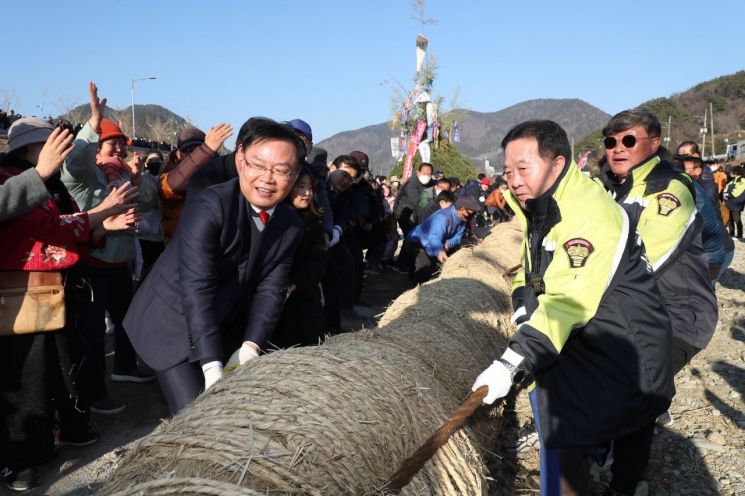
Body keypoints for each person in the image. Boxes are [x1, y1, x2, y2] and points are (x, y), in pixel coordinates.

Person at [472, 120, 674, 496]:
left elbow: (567, 301)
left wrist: (509, 363)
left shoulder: (586, 215)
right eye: (507, 171)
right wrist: (521, 305)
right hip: (587, 339)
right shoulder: (541, 207)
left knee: (611, 431)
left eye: (523, 168)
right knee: (571, 434)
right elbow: (530, 268)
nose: (513, 180)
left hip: (625, 344)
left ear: (558, 163)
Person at [123, 117, 305, 415]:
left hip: (225, 316)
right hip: (173, 319)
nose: (267, 178)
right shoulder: (210, 206)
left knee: (238, 410)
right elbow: (196, 286)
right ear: (240, 160)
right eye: (258, 165)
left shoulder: (290, 225)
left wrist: (250, 348)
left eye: (281, 170)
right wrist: (211, 366)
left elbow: (272, 288)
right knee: (196, 414)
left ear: (295, 174)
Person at [0, 118, 138, 492]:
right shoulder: (11, 178)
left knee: (63, 365)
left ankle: (65, 433)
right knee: (26, 376)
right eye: (48, 144)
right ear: (29, 149)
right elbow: (50, 230)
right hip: (21, 295)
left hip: (60, 289)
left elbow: (66, 229)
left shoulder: (53, 183)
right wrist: (101, 214)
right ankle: (19, 458)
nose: (57, 151)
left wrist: (102, 227)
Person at [61, 83, 159, 414]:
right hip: (91, 267)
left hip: (120, 266)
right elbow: (74, 162)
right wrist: (93, 122)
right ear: (97, 148)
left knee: (127, 321)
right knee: (91, 335)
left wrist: (136, 177)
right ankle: (94, 394)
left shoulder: (119, 177)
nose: (118, 148)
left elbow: (147, 201)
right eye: (111, 142)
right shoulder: (85, 175)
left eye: (122, 143)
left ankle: (125, 368)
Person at [598, 110, 717, 380]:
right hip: (627, 309)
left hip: (677, 314)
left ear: (654, 144)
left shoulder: (669, 191)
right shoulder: (606, 189)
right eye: (610, 142)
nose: (618, 149)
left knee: (621, 391)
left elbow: (641, 259)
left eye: (628, 141)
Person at [271, 167, 328, 348]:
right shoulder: (273, 217)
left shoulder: (314, 221)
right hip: (272, 295)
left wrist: (296, 283)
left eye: (310, 188)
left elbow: (317, 262)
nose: (307, 193)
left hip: (303, 296)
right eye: (300, 186)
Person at [159, 125, 233, 244]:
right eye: (188, 151)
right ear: (178, 154)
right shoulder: (168, 175)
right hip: (178, 249)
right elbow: (172, 187)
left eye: (197, 149)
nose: (193, 155)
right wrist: (205, 150)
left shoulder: (218, 172)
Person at [675, 155, 734, 283]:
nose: (680, 171)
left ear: (698, 170)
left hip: (716, 249)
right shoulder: (695, 185)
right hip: (712, 249)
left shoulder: (701, 190)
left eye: (684, 168)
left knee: (702, 292)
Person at [406, 194, 482, 283]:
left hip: (440, 242)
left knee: (436, 268)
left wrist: (448, 243)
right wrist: (440, 252)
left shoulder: (463, 219)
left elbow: (458, 237)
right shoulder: (442, 217)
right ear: (462, 209)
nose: (472, 216)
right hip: (418, 242)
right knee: (424, 271)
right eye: (471, 213)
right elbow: (434, 238)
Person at [393, 162, 434, 272]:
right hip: (404, 213)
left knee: (412, 237)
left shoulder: (430, 183)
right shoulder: (412, 183)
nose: (426, 176)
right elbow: (417, 201)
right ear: (418, 172)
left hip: (416, 214)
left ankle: (406, 262)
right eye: (424, 173)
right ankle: (402, 264)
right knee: (410, 236)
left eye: (429, 174)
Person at [723, 165, 745, 239]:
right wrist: (725, 193)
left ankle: (739, 234)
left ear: (736, 172)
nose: (732, 173)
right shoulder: (732, 180)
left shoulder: (742, 180)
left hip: (737, 203)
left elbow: (738, 191)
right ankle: (731, 233)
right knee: (730, 219)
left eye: (733, 171)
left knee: (737, 219)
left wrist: (729, 194)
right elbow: (726, 188)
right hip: (729, 202)